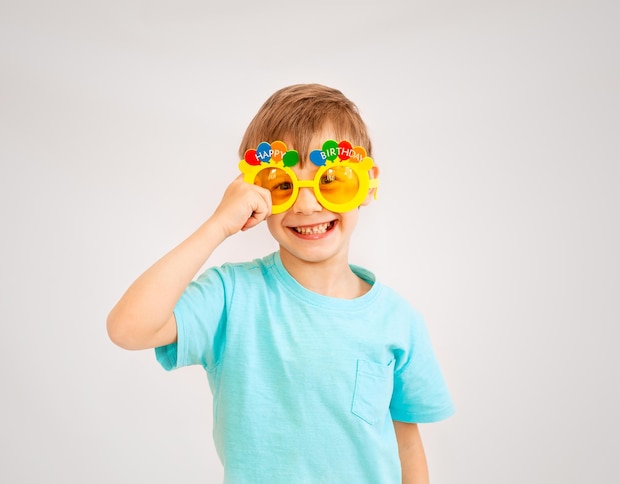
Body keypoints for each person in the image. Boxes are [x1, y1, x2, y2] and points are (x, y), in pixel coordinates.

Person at [107, 83, 455, 483]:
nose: (307, 205)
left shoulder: (398, 320)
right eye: (282, 185)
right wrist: (218, 225)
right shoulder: (231, 296)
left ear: (367, 183)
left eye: (332, 180)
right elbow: (128, 328)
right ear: (254, 191)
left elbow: (406, 446)